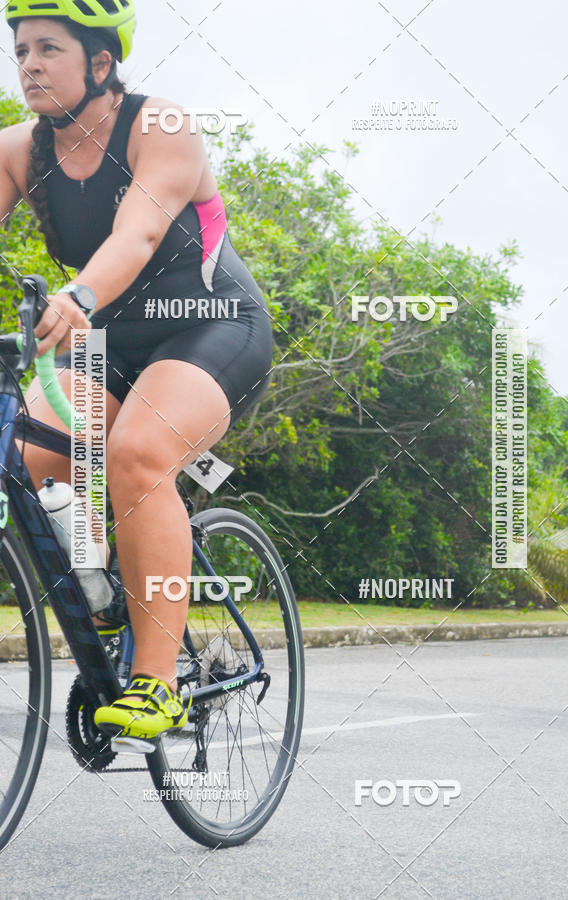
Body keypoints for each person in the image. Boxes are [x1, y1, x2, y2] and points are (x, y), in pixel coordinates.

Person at [0, 0, 273, 740]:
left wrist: (78, 294)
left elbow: (140, 229)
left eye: (48, 48)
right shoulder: (18, 149)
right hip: (107, 337)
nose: (28, 64)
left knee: (138, 454)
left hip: (211, 326)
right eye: (20, 48)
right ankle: (104, 585)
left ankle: (156, 684)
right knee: (28, 456)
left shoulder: (163, 127)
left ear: (99, 61)